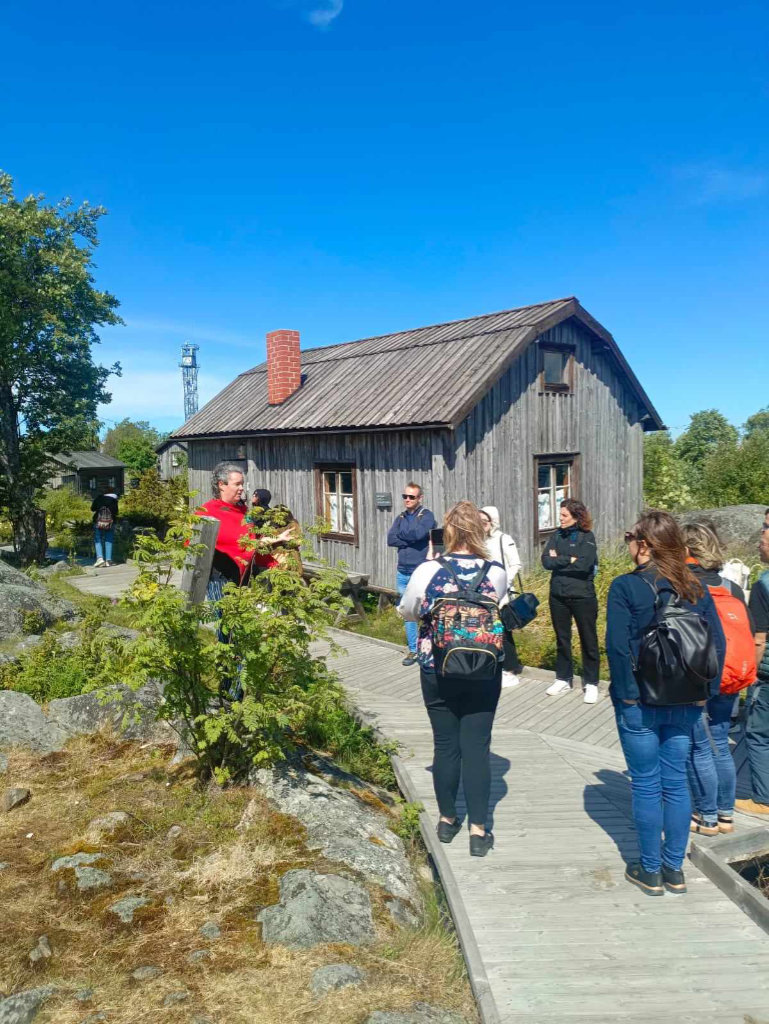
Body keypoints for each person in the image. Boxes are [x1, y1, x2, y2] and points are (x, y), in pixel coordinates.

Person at [606, 510, 725, 896]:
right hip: (686, 701)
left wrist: (625, 694)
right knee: (674, 782)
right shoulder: (695, 587)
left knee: (646, 784)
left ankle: (650, 870)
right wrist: (703, 694)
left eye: (630, 536)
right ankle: (675, 870)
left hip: (639, 700)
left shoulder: (626, 587)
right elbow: (716, 646)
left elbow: (617, 647)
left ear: (645, 545)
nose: (627, 543)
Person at [398, 501, 506, 857]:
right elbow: (498, 605)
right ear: (479, 531)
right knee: (477, 747)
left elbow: (408, 610)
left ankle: (447, 821)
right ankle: (479, 831)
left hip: (437, 666)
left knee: (446, 744)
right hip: (484, 668)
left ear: (447, 531)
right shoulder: (496, 570)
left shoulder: (429, 569)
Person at [683, 523, 754, 835]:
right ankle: (726, 815)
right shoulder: (731, 587)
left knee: (698, 747)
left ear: (687, 551)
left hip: (699, 675)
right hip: (731, 674)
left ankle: (707, 816)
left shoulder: (687, 585)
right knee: (721, 745)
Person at [540, 499, 600, 703]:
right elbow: (546, 561)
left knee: (588, 639)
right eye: (561, 514)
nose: (561, 518)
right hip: (558, 595)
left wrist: (560, 559)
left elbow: (584, 565)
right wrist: (569, 558)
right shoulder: (556, 535)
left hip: (583, 596)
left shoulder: (587, 536)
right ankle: (563, 677)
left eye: (564, 515)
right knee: (562, 638)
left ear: (576, 516)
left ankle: (591, 682)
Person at [735, 528, 769, 815]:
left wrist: (752, 674)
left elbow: (759, 638)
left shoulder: (763, 585)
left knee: (757, 734)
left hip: (768, 674)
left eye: (762, 543)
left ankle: (763, 799)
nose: (758, 547)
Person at [387, 482, 436, 666]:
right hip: (402, 571)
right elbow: (390, 539)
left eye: (411, 497)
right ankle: (413, 650)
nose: (407, 500)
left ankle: (429, 647)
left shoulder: (427, 516)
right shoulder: (400, 517)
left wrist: (405, 537)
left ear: (420, 498)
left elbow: (418, 534)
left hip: (420, 571)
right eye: (405, 496)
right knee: (407, 613)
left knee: (426, 610)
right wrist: (410, 538)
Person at [480, 506, 523, 688]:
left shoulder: (504, 539)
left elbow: (515, 564)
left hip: (502, 592)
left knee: (504, 630)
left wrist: (504, 581)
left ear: (493, 522)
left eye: (484, 522)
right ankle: (494, 664)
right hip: (483, 590)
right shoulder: (479, 541)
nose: (481, 526)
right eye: (478, 522)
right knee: (488, 629)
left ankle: (511, 668)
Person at [91, 489, 119, 567]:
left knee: (98, 539)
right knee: (109, 539)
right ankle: (108, 560)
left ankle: (100, 559)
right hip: (110, 522)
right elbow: (116, 512)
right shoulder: (114, 500)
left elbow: (92, 508)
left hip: (98, 522)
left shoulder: (99, 498)